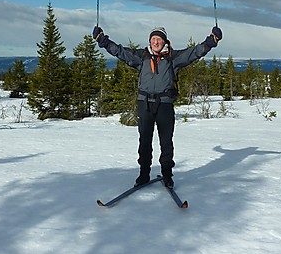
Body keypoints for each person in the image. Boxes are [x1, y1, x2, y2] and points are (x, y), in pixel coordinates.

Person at [92, 24, 222, 188]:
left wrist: (211, 41)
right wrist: (102, 40)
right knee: (144, 141)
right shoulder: (142, 56)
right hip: (144, 104)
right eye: (153, 39)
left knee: (166, 142)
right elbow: (120, 52)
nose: (156, 42)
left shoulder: (173, 57)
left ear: (164, 41)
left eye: (159, 39)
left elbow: (194, 53)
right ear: (150, 41)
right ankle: (143, 174)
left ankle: (167, 175)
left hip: (165, 105)